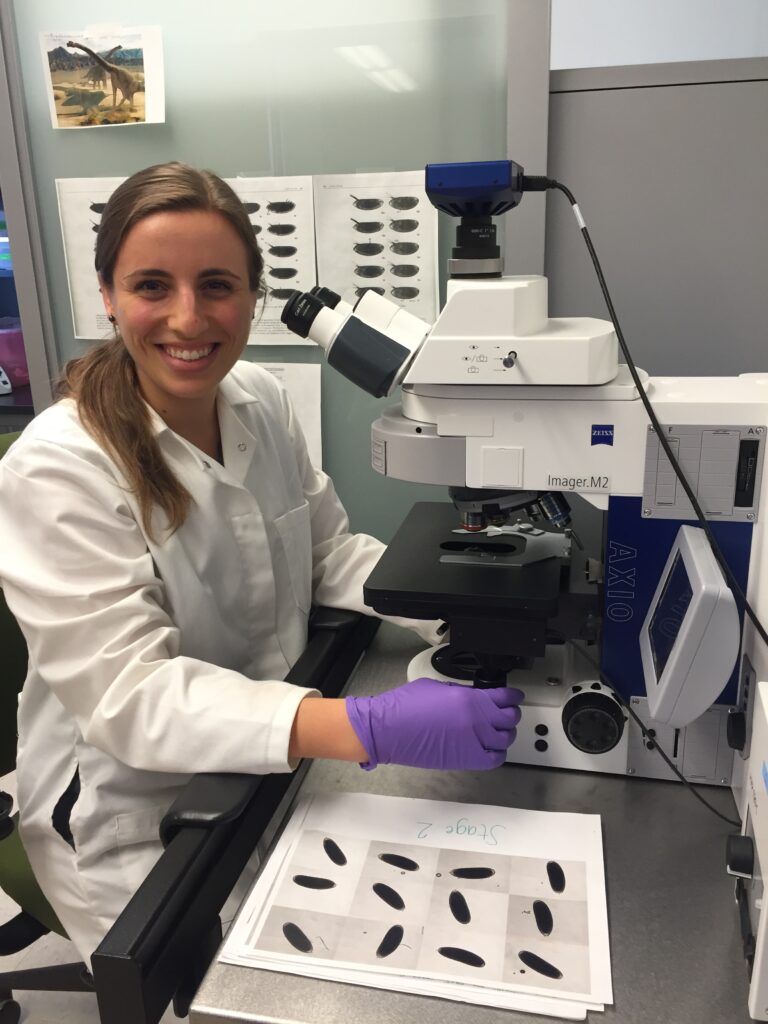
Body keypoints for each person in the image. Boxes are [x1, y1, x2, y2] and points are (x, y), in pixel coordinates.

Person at [0, 162, 523, 966]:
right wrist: (365, 726)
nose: (188, 316)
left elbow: (327, 551)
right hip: (136, 812)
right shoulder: (58, 467)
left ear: (252, 295)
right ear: (108, 295)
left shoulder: (260, 398)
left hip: (277, 748)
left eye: (216, 285)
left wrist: (460, 606)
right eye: (151, 285)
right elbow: (132, 698)